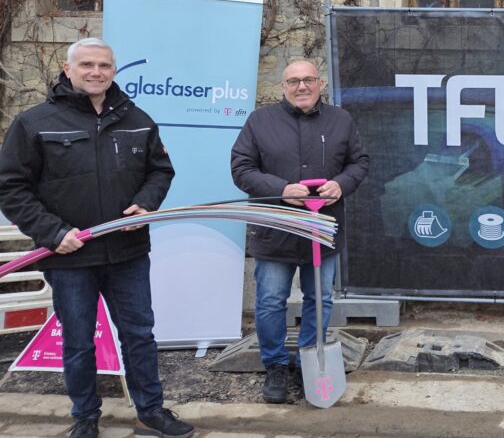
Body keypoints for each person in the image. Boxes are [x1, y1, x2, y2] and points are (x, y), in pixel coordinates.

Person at [0, 38, 194, 438]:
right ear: (67, 69)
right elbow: (11, 187)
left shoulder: (136, 118)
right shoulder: (35, 122)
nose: (96, 72)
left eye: (104, 65)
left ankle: (151, 412)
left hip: (127, 253)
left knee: (139, 334)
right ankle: (85, 417)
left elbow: (160, 171)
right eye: (86, 64)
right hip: (69, 257)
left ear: (113, 71)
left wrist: (145, 204)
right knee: (79, 341)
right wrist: (52, 233)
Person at [231, 59, 369, 404]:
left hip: (322, 228)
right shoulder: (260, 121)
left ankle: (310, 357)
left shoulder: (340, 120)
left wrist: (342, 183)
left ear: (320, 83)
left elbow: (359, 162)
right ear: (283, 87)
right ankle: (276, 365)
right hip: (275, 229)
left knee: (320, 298)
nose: (301, 87)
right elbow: (241, 168)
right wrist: (281, 188)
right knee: (270, 301)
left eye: (308, 80)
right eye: (293, 81)